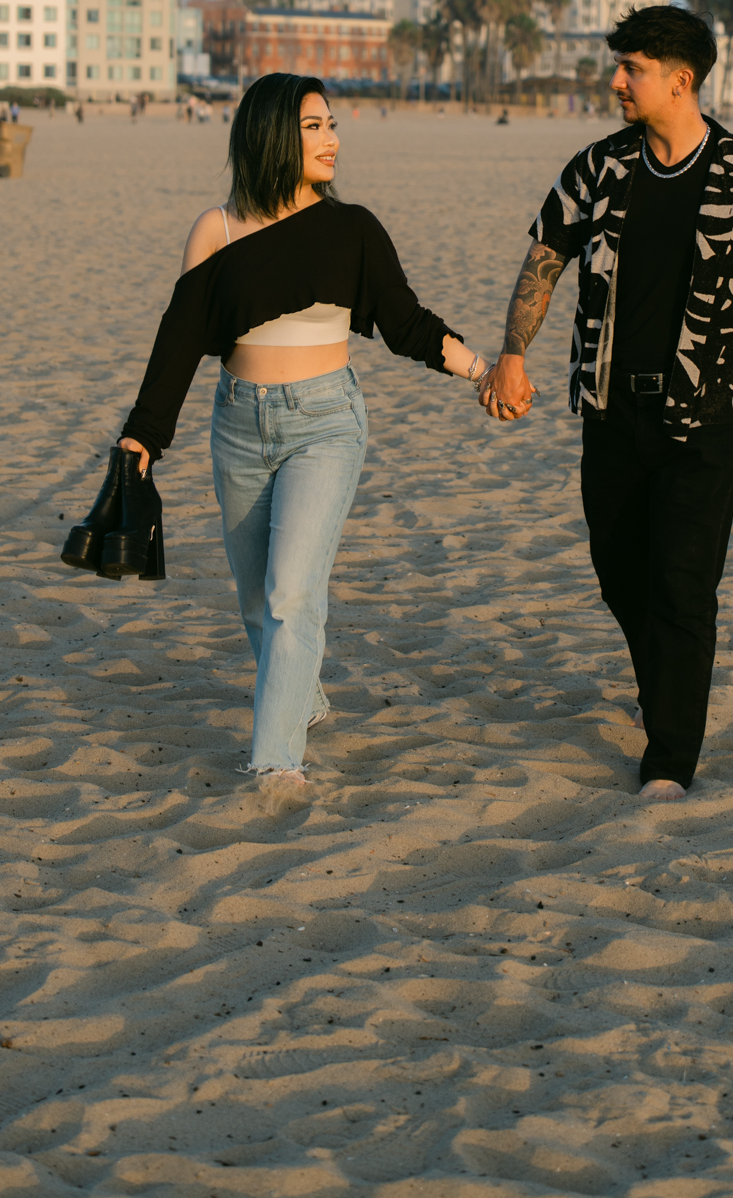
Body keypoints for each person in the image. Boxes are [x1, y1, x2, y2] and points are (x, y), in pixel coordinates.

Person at [479, 5, 733, 805]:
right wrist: (512, 354)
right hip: (609, 414)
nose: (615, 81)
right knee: (619, 576)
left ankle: (670, 756)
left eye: (630, 69)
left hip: (704, 420)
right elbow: (543, 259)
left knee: (683, 587)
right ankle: (667, 687)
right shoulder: (598, 168)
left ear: (678, 80)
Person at [114, 72, 485, 791]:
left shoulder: (352, 229)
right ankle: (302, 699)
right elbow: (179, 342)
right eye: (313, 127)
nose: (332, 140)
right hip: (238, 425)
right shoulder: (215, 230)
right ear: (271, 136)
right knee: (257, 600)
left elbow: (404, 323)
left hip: (324, 423)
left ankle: (276, 761)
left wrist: (481, 372)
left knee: (289, 595)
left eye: (332, 125)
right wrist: (142, 438)